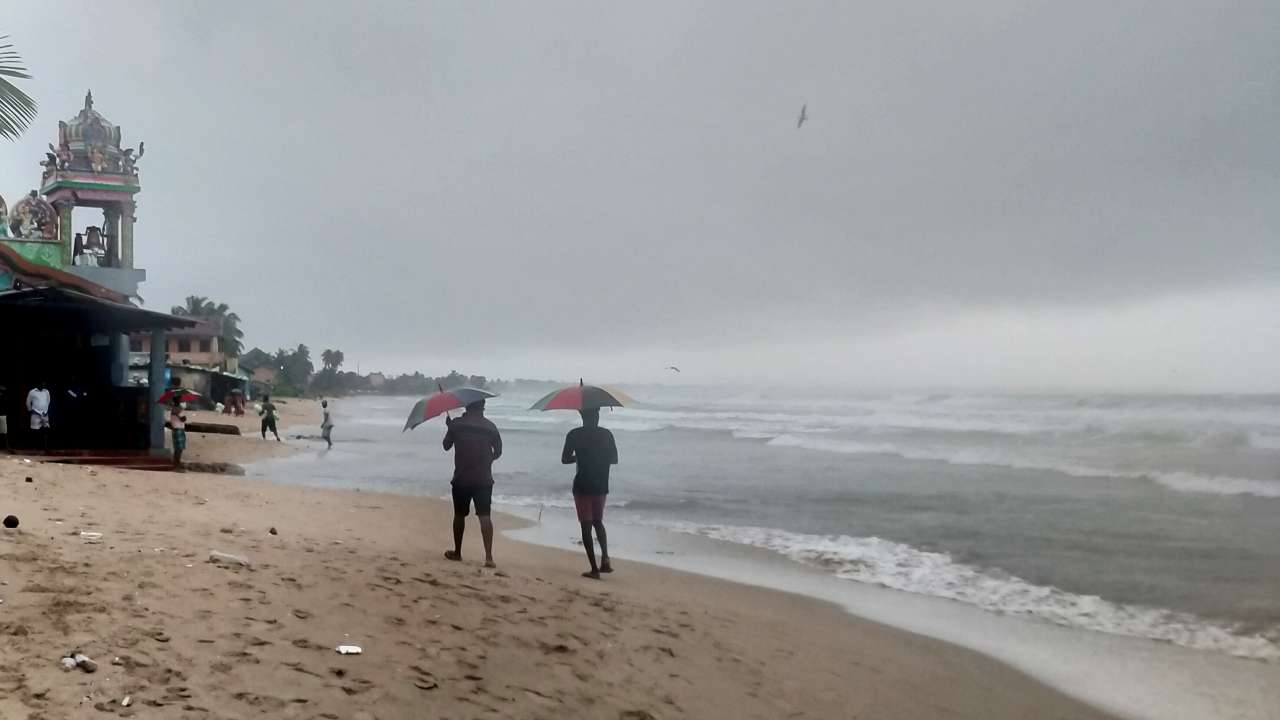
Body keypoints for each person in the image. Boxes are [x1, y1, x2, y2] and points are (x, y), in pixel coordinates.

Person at [442, 400, 502, 567]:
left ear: (467, 407)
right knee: (485, 516)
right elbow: (498, 452)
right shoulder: (491, 427)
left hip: (462, 478)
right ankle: (489, 557)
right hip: (483, 479)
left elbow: (446, 446)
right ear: (483, 407)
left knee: (459, 515)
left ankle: (458, 552)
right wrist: (487, 459)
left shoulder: (457, 425)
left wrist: (450, 428)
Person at [562, 408, 618, 579]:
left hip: (582, 485)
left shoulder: (574, 434)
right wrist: (598, 457)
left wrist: (579, 458)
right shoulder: (606, 434)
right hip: (601, 484)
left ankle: (594, 569)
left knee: (586, 526)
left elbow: (565, 459)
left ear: (582, 417)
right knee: (598, 522)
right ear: (597, 416)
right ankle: (605, 559)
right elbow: (614, 459)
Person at [26, 381, 51, 451]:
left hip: (44, 413)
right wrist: (31, 410)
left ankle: (46, 447)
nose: (43, 384)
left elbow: (48, 401)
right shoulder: (32, 392)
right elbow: (28, 402)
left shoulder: (46, 392)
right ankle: (34, 447)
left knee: (46, 429)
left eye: (44, 383)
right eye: (42, 383)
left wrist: (46, 410)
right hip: (35, 413)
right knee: (35, 430)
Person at [168, 396, 187, 470]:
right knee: (178, 449)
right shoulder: (176, 408)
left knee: (179, 448)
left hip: (180, 428)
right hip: (177, 429)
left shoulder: (177, 408)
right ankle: (176, 465)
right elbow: (182, 418)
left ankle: (177, 463)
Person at [0, 384, 9, 453]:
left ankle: (6, 446)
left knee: (4, 431)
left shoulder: (4, 396)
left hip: (2, 414)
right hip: (2, 414)